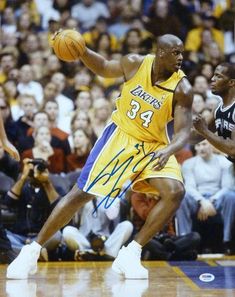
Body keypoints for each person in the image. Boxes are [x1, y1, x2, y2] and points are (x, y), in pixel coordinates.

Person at [7, 33, 193, 279]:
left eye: (182, 53)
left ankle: (131, 253)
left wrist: (169, 149)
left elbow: (183, 132)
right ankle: (31, 252)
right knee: (81, 194)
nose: (181, 58)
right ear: (160, 53)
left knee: (175, 191)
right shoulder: (135, 63)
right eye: (175, 53)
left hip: (154, 145)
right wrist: (82, 50)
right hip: (120, 137)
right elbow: (105, 68)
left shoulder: (183, 88)